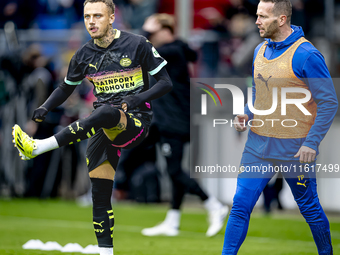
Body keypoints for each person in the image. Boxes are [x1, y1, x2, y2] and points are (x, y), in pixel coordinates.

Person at [12, 0, 172, 254]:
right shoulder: (83, 53)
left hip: (136, 121)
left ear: (112, 17)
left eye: (98, 15)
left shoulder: (137, 43)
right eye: (87, 16)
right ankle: (105, 252)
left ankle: (40, 146)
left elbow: (165, 83)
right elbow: (66, 87)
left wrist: (136, 99)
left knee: (107, 111)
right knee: (99, 196)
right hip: (101, 125)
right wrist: (45, 107)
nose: (91, 21)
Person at [222, 0, 338, 254]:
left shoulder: (307, 54)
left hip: (294, 148)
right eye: (257, 15)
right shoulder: (259, 50)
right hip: (257, 145)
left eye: (263, 16)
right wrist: (247, 113)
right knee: (240, 205)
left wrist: (311, 142)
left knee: (309, 209)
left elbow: (329, 103)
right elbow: (261, 95)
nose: (256, 21)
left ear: (282, 19)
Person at [140, 14, 229, 237]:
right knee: (174, 170)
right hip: (172, 120)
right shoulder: (175, 51)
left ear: (165, 30)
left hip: (174, 122)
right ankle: (173, 221)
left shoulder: (171, 52)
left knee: (174, 170)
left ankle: (212, 205)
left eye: (152, 33)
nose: (149, 38)